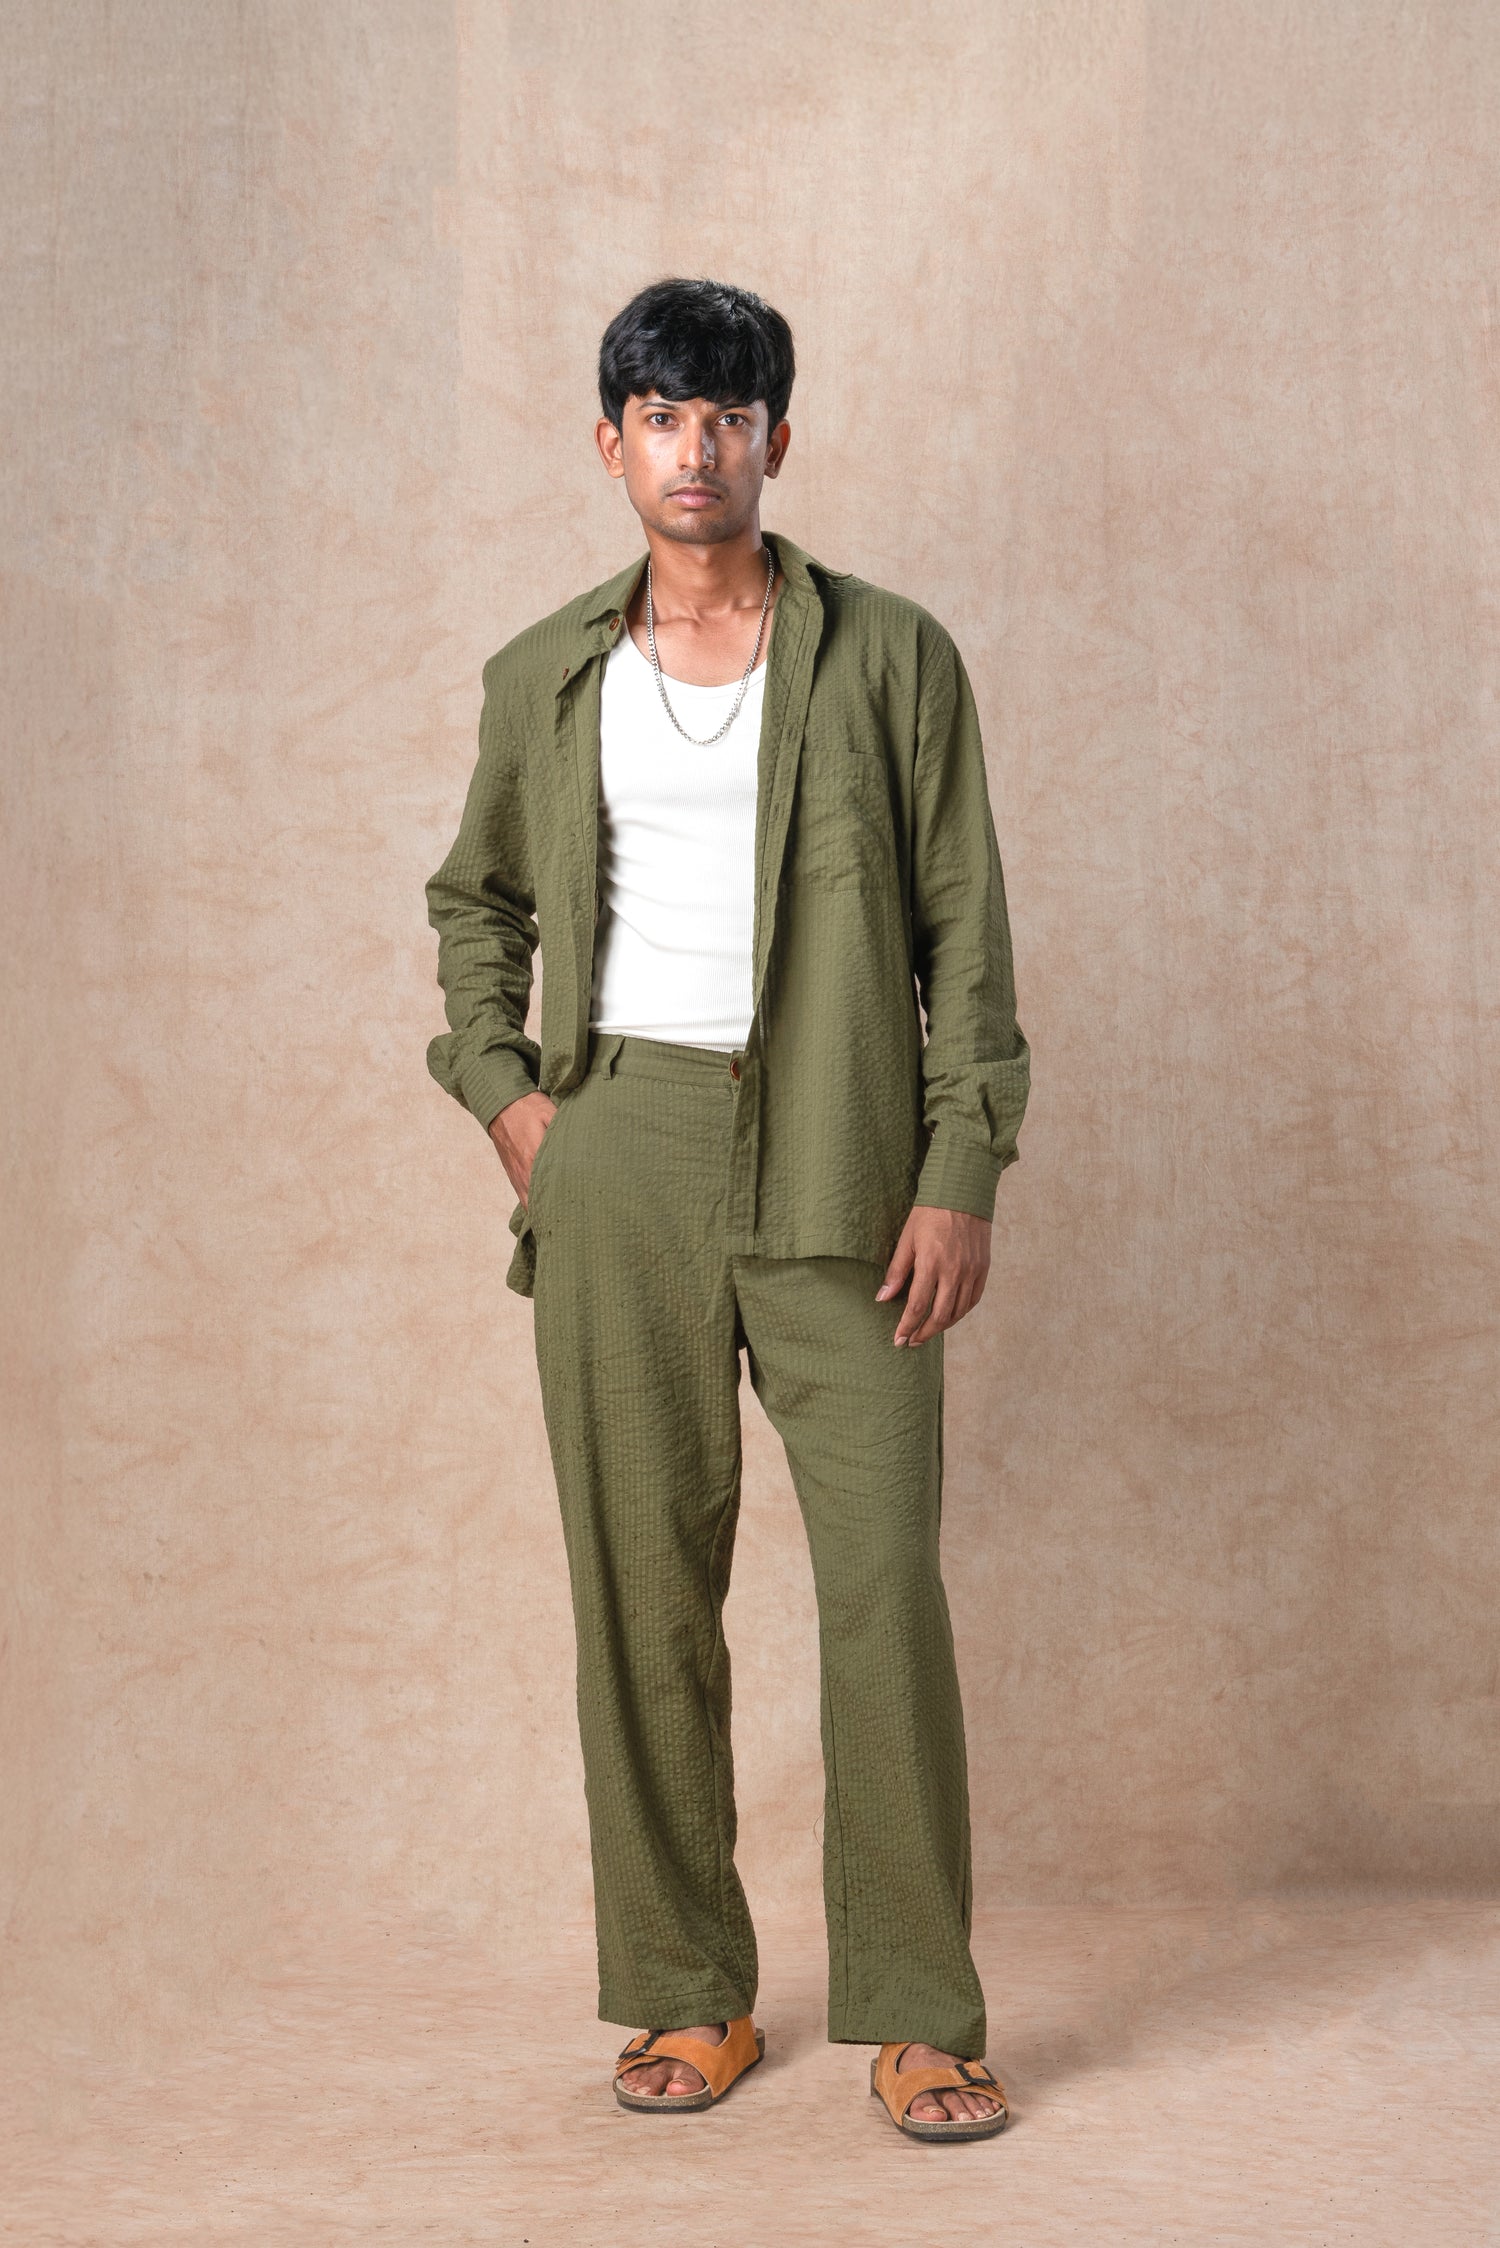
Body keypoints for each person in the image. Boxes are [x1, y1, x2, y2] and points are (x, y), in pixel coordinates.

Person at [424, 277, 1030, 2142]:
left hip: (846, 1163)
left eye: (731, 412)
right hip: (623, 1153)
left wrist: (959, 1168)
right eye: (662, 413)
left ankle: (921, 2009)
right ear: (609, 441)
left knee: (880, 1594)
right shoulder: (543, 676)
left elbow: (966, 946)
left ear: (782, 436)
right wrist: (511, 1098)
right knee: (642, 1594)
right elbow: (474, 908)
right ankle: (693, 1992)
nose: (698, 446)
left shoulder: (893, 659)